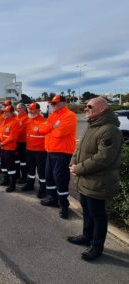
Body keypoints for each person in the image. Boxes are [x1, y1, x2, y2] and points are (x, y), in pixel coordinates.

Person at [68, 97, 123, 261]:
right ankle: (87, 236)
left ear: (101, 109)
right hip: (86, 180)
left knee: (98, 215)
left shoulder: (110, 130)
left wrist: (80, 168)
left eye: (89, 106)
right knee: (87, 211)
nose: (85, 109)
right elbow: (79, 149)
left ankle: (97, 247)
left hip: (99, 182)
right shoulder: (92, 126)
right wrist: (73, 164)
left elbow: (103, 158)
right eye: (85, 107)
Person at [38, 95, 77, 219]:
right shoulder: (52, 116)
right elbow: (41, 129)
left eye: (56, 103)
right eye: (52, 104)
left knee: (60, 179)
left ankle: (64, 204)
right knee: (49, 176)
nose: (53, 105)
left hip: (62, 152)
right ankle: (52, 198)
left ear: (64, 103)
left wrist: (51, 129)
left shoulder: (69, 115)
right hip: (50, 151)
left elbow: (60, 133)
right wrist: (52, 127)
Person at [22, 103, 47, 198]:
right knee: (30, 169)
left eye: (32, 109)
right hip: (29, 149)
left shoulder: (44, 121)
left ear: (38, 110)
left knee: (41, 171)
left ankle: (42, 189)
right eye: (29, 109)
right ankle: (30, 184)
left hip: (40, 151)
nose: (30, 111)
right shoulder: (28, 120)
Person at [0, 105, 19, 192]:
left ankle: (12, 185)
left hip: (9, 148)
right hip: (2, 147)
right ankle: (5, 180)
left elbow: (12, 137)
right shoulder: (3, 122)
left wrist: (2, 143)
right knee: (3, 166)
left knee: (10, 167)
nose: (5, 113)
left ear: (11, 113)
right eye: (4, 112)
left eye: (7, 112)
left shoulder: (14, 122)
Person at [15, 103, 30, 184]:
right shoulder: (16, 118)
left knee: (23, 161)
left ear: (24, 109)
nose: (18, 110)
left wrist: (12, 134)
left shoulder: (26, 118)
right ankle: (17, 176)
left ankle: (24, 177)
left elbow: (21, 131)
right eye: (17, 108)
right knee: (16, 161)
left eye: (19, 108)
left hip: (23, 143)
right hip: (16, 142)